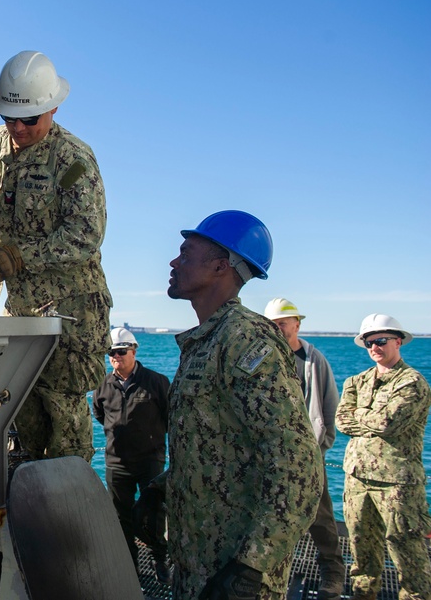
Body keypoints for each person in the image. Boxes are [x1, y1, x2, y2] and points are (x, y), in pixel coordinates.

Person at [136, 210, 322, 600]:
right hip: (196, 562)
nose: (173, 262)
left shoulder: (244, 339)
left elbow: (298, 465)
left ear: (220, 266)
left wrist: (250, 568)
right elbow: (219, 447)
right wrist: (162, 489)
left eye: (186, 254)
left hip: (233, 571)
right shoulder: (206, 340)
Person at [0, 50, 112, 461]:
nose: (18, 128)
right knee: (18, 417)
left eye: (30, 120)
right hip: (18, 310)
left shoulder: (73, 159)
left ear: (52, 108)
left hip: (69, 315)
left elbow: (86, 234)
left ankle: (66, 515)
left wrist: (20, 256)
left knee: (64, 434)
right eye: (10, 119)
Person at [335, 314, 431, 600]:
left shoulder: (412, 382)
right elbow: (342, 421)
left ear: (398, 341)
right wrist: (370, 419)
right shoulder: (356, 381)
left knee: (409, 558)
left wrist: (360, 416)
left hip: (396, 484)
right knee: (362, 558)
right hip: (356, 480)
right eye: (369, 342)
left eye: (381, 341)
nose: (374, 347)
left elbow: (389, 423)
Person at [263, 297, 345, 600]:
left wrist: (320, 446)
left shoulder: (314, 360)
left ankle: (332, 573)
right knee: (272, 518)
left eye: (282, 323)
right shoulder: (265, 357)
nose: (277, 329)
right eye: (272, 324)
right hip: (271, 455)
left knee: (321, 517)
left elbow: (329, 404)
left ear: (297, 324)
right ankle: (272, 575)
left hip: (309, 455)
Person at [92, 327, 170, 581]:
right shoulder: (103, 385)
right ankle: (131, 569)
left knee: (153, 514)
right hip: (117, 463)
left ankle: (160, 558)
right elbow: (100, 415)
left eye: (121, 351)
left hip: (150, 460)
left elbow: (170, 417)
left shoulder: (156, 382)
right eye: (111, 353)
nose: (116, 357)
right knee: (121, 519)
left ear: (134, 351)